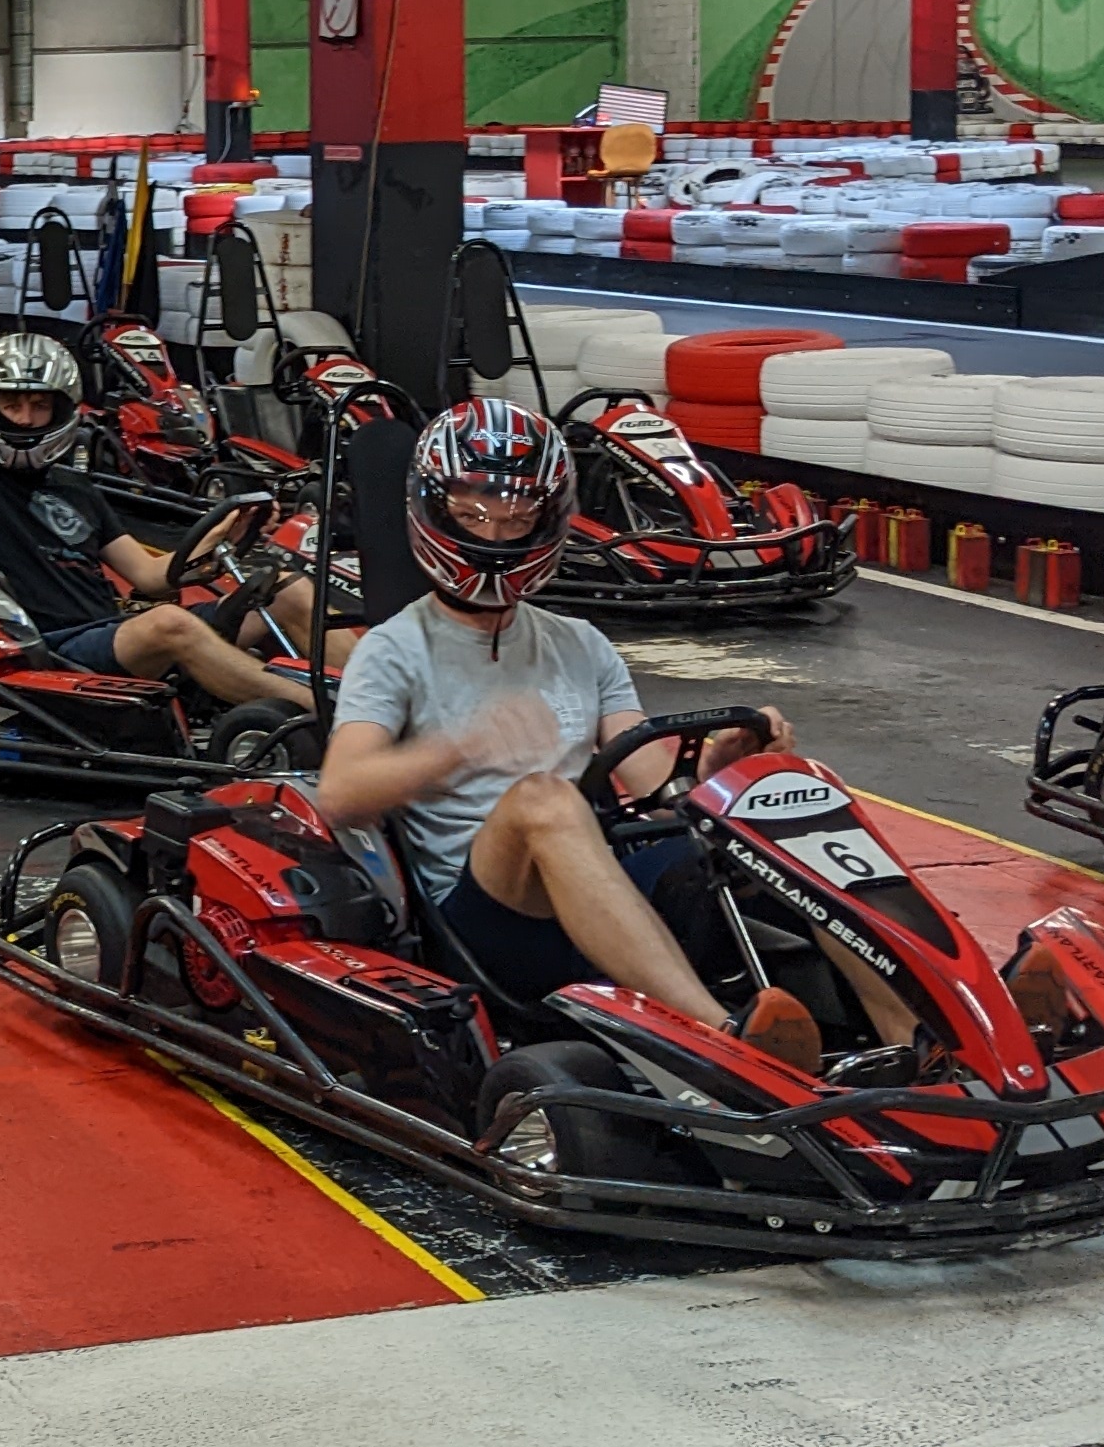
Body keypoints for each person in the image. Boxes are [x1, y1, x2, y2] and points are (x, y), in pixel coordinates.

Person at [313, 397, 828, 1074]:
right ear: (435, 512)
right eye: (474, 515)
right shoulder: (393, 650)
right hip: (486, 916)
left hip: (596, 885)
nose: (496, 534)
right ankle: (724, 1039)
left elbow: (652, 782)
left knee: (786, 789)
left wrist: (718, 772)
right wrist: (462, 746)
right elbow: (340, 793)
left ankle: (921, 1027)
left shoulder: (580, 643)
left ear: (549, 518)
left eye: (517, 518)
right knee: (544, 799)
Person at [0, 261, 308, 710]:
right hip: (51, 650)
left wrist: (224, 537)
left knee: (289, 590)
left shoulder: (77, 488)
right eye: (12, 406)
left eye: (39, 406)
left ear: (60, 411)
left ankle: (372, 702)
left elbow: (151, 577)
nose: (25, 419)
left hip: (111, 637)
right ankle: (324, 714)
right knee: (169, 623)